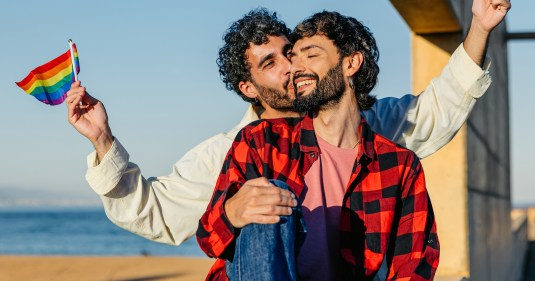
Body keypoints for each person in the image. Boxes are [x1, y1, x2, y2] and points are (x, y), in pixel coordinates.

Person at [66, 5, 493, 246]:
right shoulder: (228, 152)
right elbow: (151, 210)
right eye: (270, 64)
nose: (290, 67)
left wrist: (479, 26)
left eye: (290, 52)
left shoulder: (360, 124)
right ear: (248, 88)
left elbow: (438, 108)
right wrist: (103, 140)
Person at [197, 1, 510, 280]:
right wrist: (232, 212)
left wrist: (480, 28)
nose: (295, 67)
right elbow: (208, 238)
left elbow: (413, 265)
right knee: (270, 195)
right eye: (294, 57)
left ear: (350, 63)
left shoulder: (399, 166)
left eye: (311, 55)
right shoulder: (261, 141)